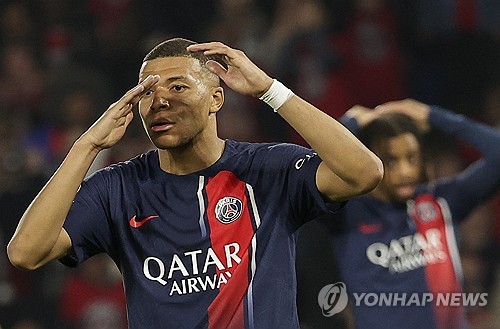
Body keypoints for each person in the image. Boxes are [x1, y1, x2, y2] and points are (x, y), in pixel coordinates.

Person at [7, 38, 383, 329]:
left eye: (178, 87)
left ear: (216, 98)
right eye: (147, 91)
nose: (160, 101)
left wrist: (270, 89)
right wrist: (87, 146)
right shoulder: (117, 189)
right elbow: (26, 252)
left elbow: (364, 172)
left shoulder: (266, 169)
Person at [325, 99, 500, 329]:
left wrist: (432, 115)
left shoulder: (441, 202)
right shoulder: (346, 212)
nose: (406, 171)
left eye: (412, 157)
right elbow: (308, 175)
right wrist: (349, 125)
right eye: (391, 161)